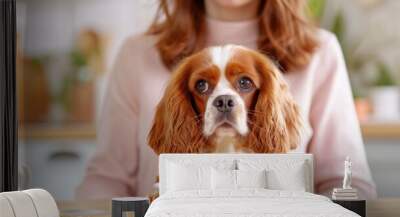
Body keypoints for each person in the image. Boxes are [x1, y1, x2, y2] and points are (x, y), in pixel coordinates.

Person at [77, 0, 377, 199]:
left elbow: (349, 184)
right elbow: (107, 180)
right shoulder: (136, 53)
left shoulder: (320, 51)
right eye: (203, 87)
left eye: (245, 84)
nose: (223, 99)